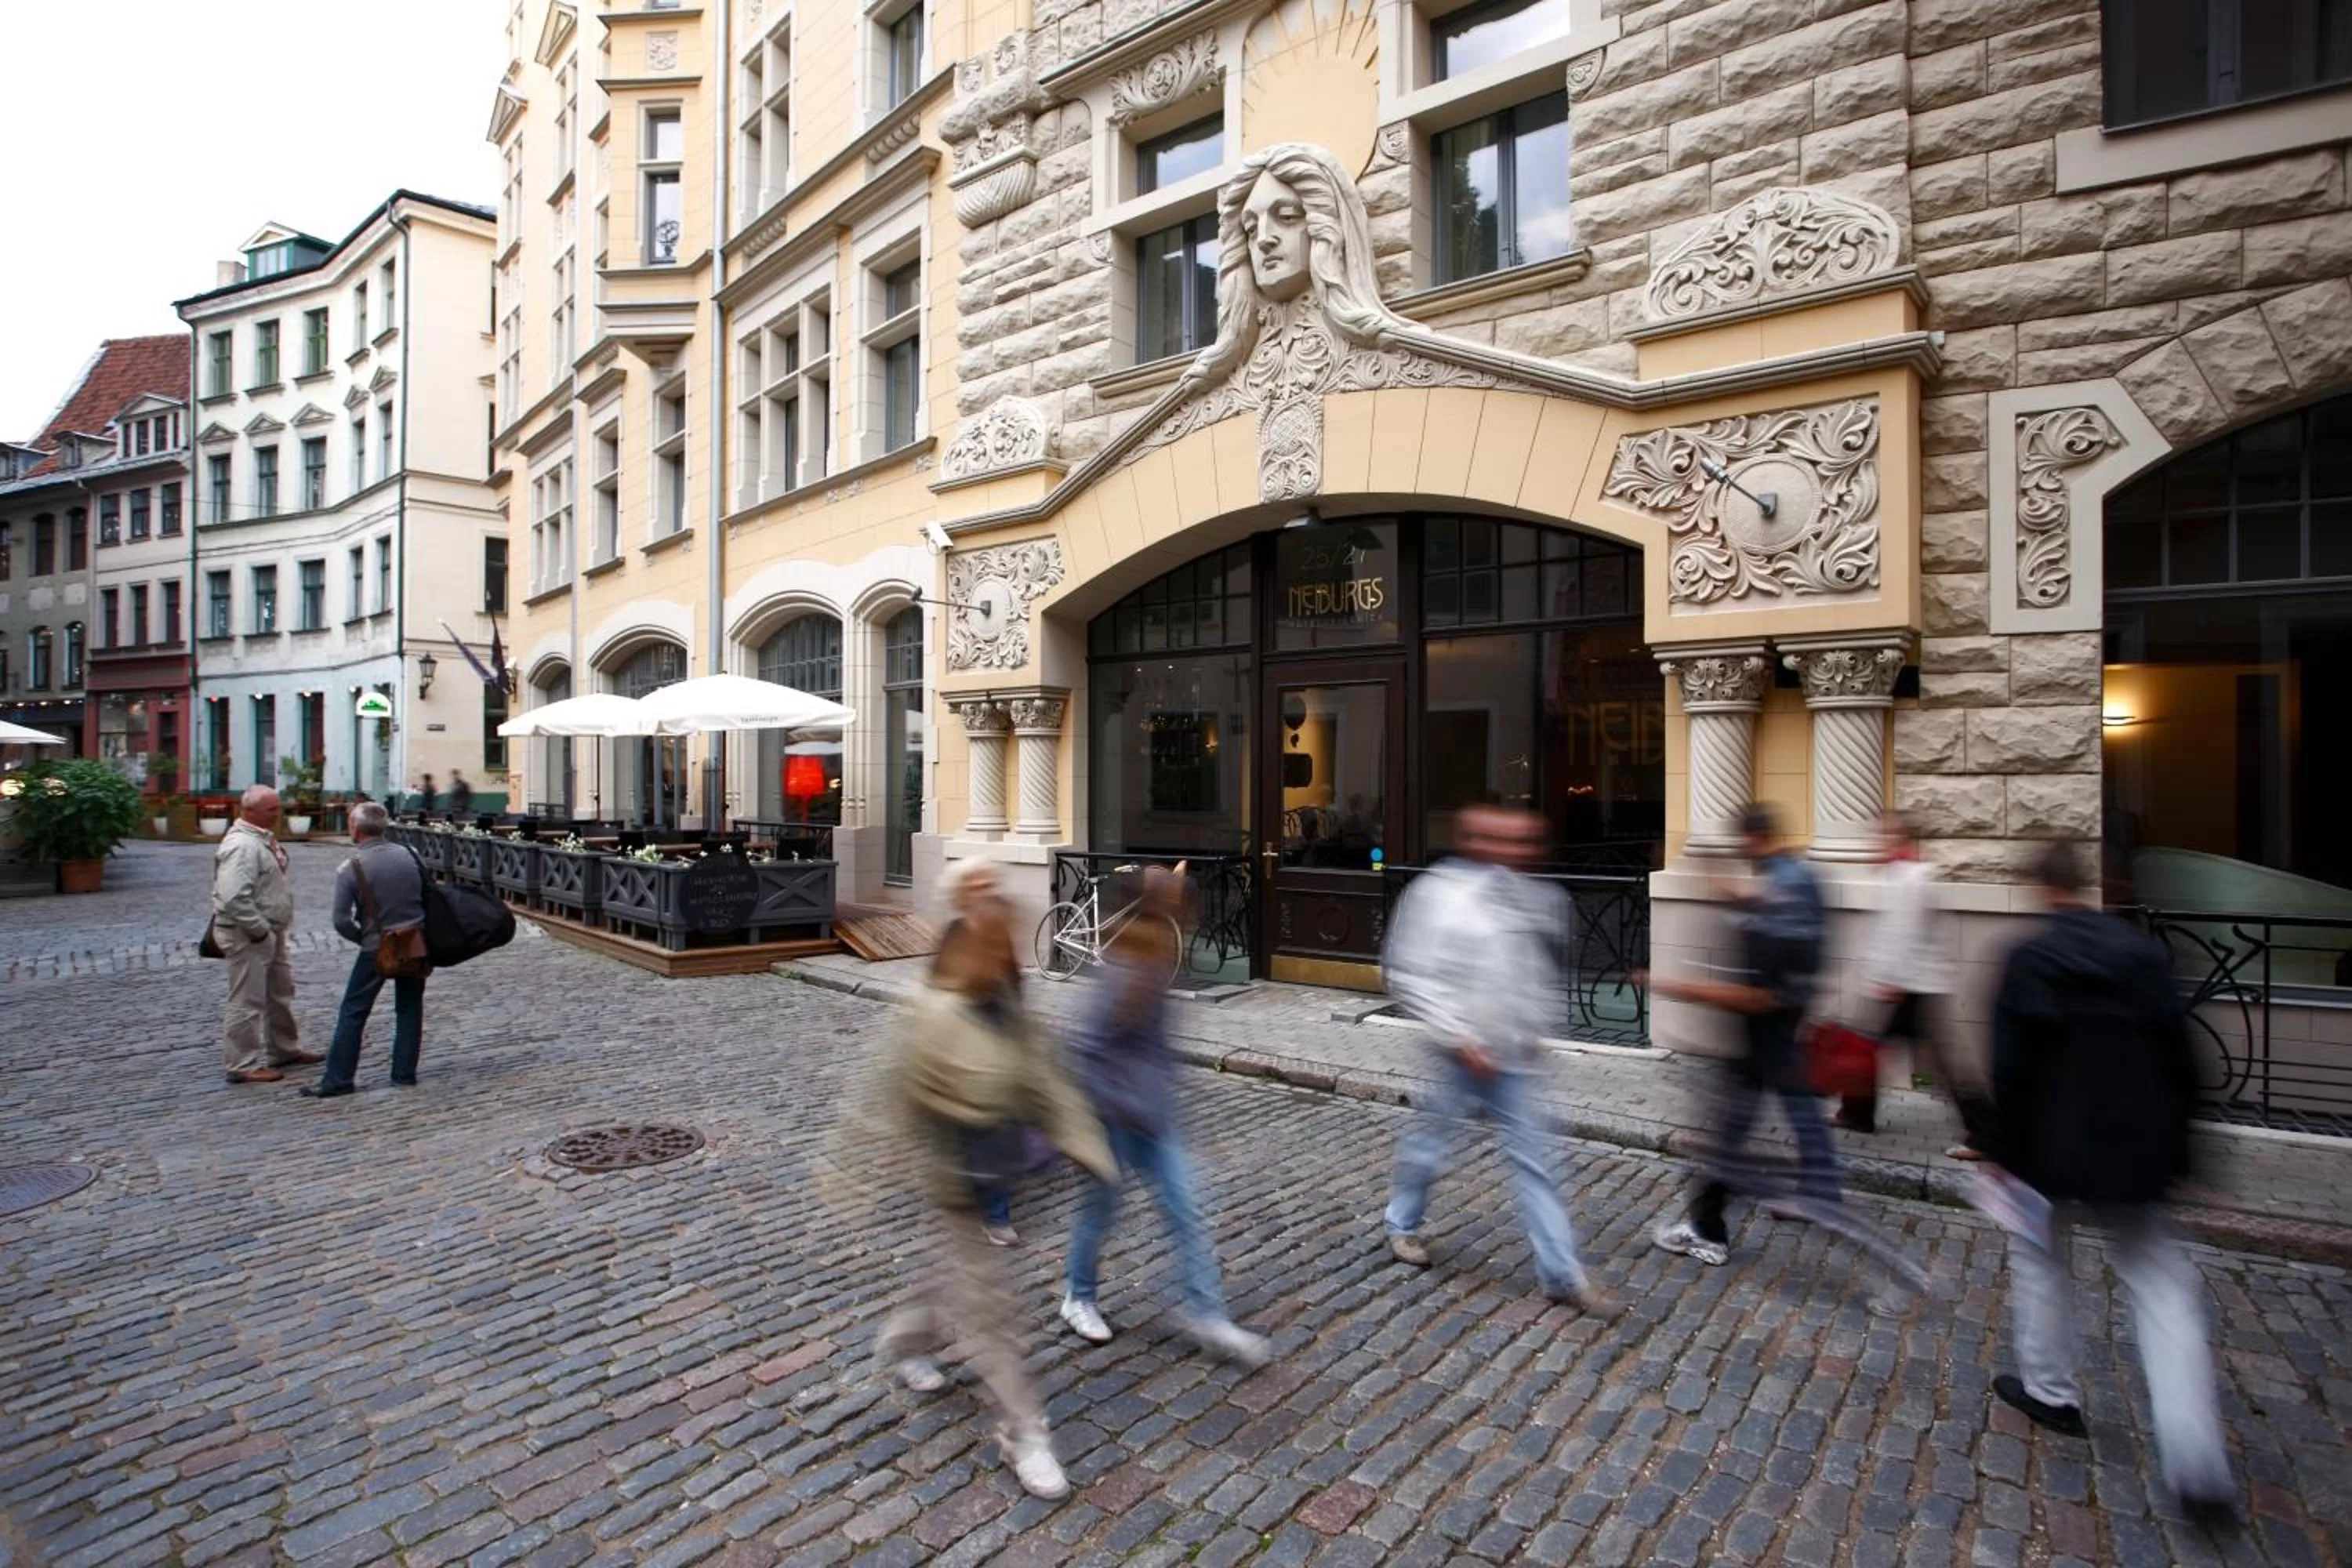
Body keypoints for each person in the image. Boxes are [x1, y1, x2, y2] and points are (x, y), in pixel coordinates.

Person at [1985, 841, 2235, 1526]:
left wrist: (2001, 1154)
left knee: (2040, 1266)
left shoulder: (2029, 957)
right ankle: (2198, 1466)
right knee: (2163, 1293)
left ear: (2042, 889)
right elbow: (2184, 1062)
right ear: (2087, 885)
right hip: (2135, 1152)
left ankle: (2050, 1389)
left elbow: (2010, 1070)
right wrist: (2183, 1156)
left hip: (2050, 1153)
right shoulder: (2143, 956)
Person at [877, 884, 1116, 1501]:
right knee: (992, 1309)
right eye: (988, 940)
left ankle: (907, 1335)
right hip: (956, 1180)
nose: (998, 951)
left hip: (1006, 1170)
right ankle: (1023, 1429)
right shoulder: (930, 1011)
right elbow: (884, 1097)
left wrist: (1088, 1145)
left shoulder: (1011, 1004)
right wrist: (851, 1175)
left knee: (954, 1278)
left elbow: (1049, 1085)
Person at [1649, 804, 1929, 1312]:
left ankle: (1900, 1272)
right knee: (1735, 1146)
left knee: (1735, 1152)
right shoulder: (1801, 879)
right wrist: (1717, 882)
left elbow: (1759, 994)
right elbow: (1770, 912)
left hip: (1765, 1043)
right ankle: (1710, 1225)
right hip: (1780, 1040)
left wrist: (1670, 985)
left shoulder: (1776, 898)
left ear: (1753, 840)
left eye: (1742, 849)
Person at [1380, 804, 1617, 1316]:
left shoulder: (1541, 897)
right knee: (1430, 1147)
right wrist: (1459, 1037)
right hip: (1458, 1054)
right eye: (1500, 839)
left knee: (1537, 1164)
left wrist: (1538, 1028)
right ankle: (1401, 1222)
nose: (1515, 851)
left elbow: (1539, 971)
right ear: (1473, 840)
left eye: (1524, 841)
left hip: (1512, 1058)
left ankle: (1560, 1274)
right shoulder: (1439, 894)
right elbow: (1410, 972)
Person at [1060, 865, 1272, 1363]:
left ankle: (1207, 1316)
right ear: (1153, 905)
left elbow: (1155, 1047)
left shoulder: (1158, 959)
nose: (1185, 904)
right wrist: (1113, 1107)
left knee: (1187, 1209)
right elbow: (1085, 1049)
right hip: (1111, 1120)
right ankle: (1078, 1296)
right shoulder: (1121, 969)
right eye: (1174, 896)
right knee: (1099, 1211)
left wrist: (1168, 1096)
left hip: (1152, 1119)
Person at [1839, 810, 1987, 1160]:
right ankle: (1857, 1113)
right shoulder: (1903, 875)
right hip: (1911, 983)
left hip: (1910, 987)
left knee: (1931, 1061)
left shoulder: (1911, 878)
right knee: (1873, 1050)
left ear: (1902, 838)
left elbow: (1902, 934)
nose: (1878, 841)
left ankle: (1986, 1136)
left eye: (1885, 835)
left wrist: (1887, 980)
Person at [304, 802, 428, 1098]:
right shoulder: (411, 856)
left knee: (354, 1011)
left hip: (377, 944)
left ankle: (338, 1078)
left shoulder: (352, 868)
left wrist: (364, 939)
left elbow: (341, 920)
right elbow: (427, 895)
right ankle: (404, 1073)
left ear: (355, 828)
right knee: (409, 1008)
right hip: (414, 941)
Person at [212, 785, 318, 1084]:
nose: (277, 814)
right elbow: (233, 896)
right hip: (249, 934)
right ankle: (241, 1063)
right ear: (250, 811)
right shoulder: (242, 846)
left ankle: (284, 1049)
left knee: (279, 992)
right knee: (247, 999)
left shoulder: (261, 839)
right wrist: (259, 930)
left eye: (278, 808)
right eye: (271, 810)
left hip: (270, 930)